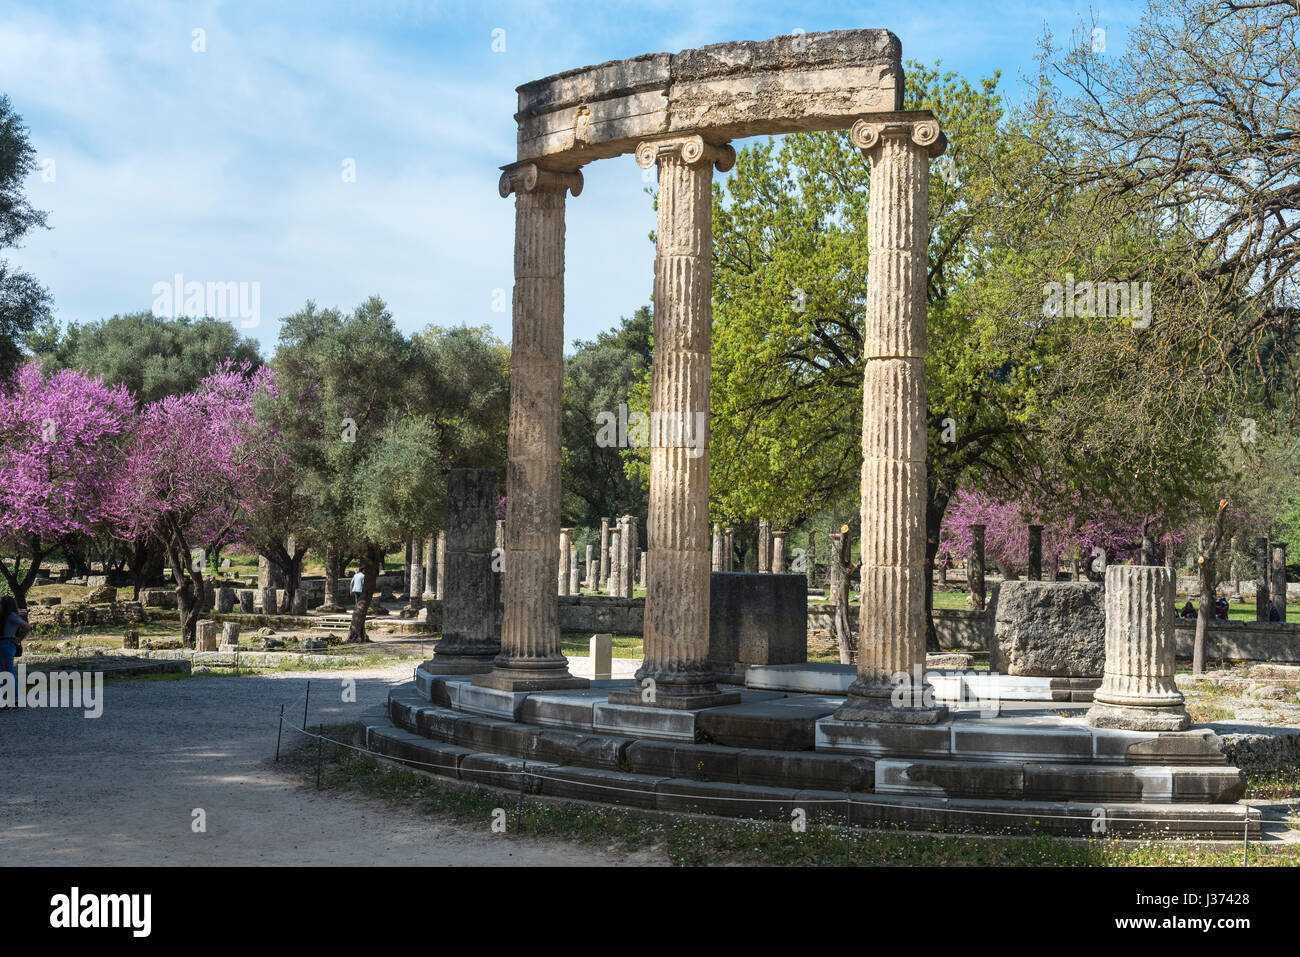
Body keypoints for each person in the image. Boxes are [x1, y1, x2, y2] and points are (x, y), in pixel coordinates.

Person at [1, 594, 30, 710]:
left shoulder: (11, 616)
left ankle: (15, 699)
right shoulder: (7, 616)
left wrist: (19, 639)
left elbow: (27, 626)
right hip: (4, 644)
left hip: (6, 644)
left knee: (8, 671)